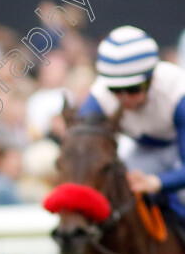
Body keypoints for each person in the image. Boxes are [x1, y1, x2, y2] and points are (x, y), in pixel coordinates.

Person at [79, 25, 185, 221]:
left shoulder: (178, 92)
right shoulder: (98, 98)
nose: (125, 98)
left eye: (134, 88)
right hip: (142, 151)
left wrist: (158, 181)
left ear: (152, 77)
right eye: (116, 89)